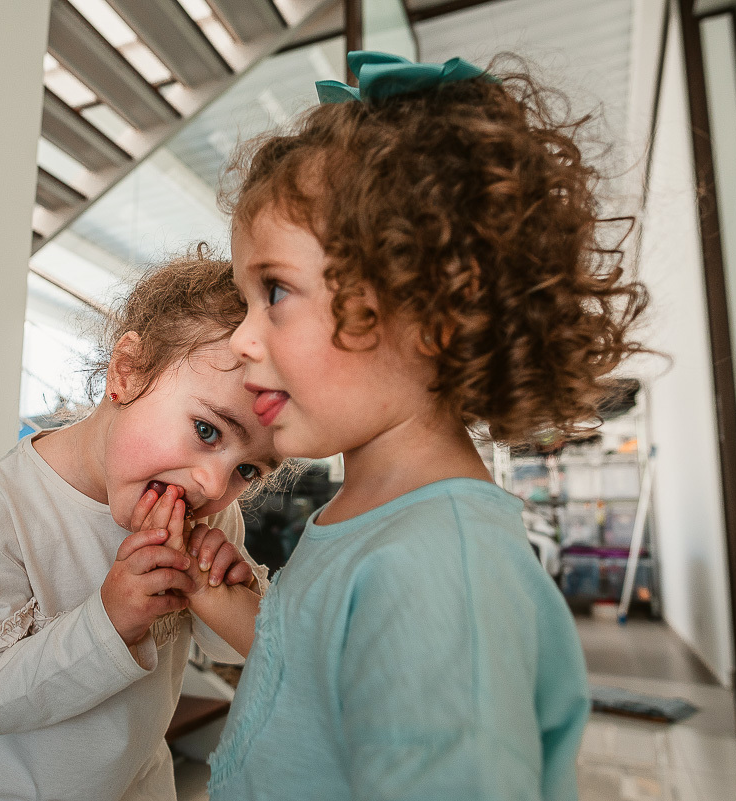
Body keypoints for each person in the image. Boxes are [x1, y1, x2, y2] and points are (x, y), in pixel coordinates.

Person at [177, 52, 650, 800]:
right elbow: (329, 693)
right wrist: (252, 620)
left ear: (428, 308)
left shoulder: (438, 573)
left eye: (274, 290)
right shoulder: (369, 516)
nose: (240, 338)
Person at [0, 251, 283, 801]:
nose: (214, 485)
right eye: (208, 431)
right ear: (127, 372)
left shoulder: (213, 516)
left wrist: (223, 591)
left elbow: (229, 652)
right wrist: (112, 619)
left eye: (247, 469)